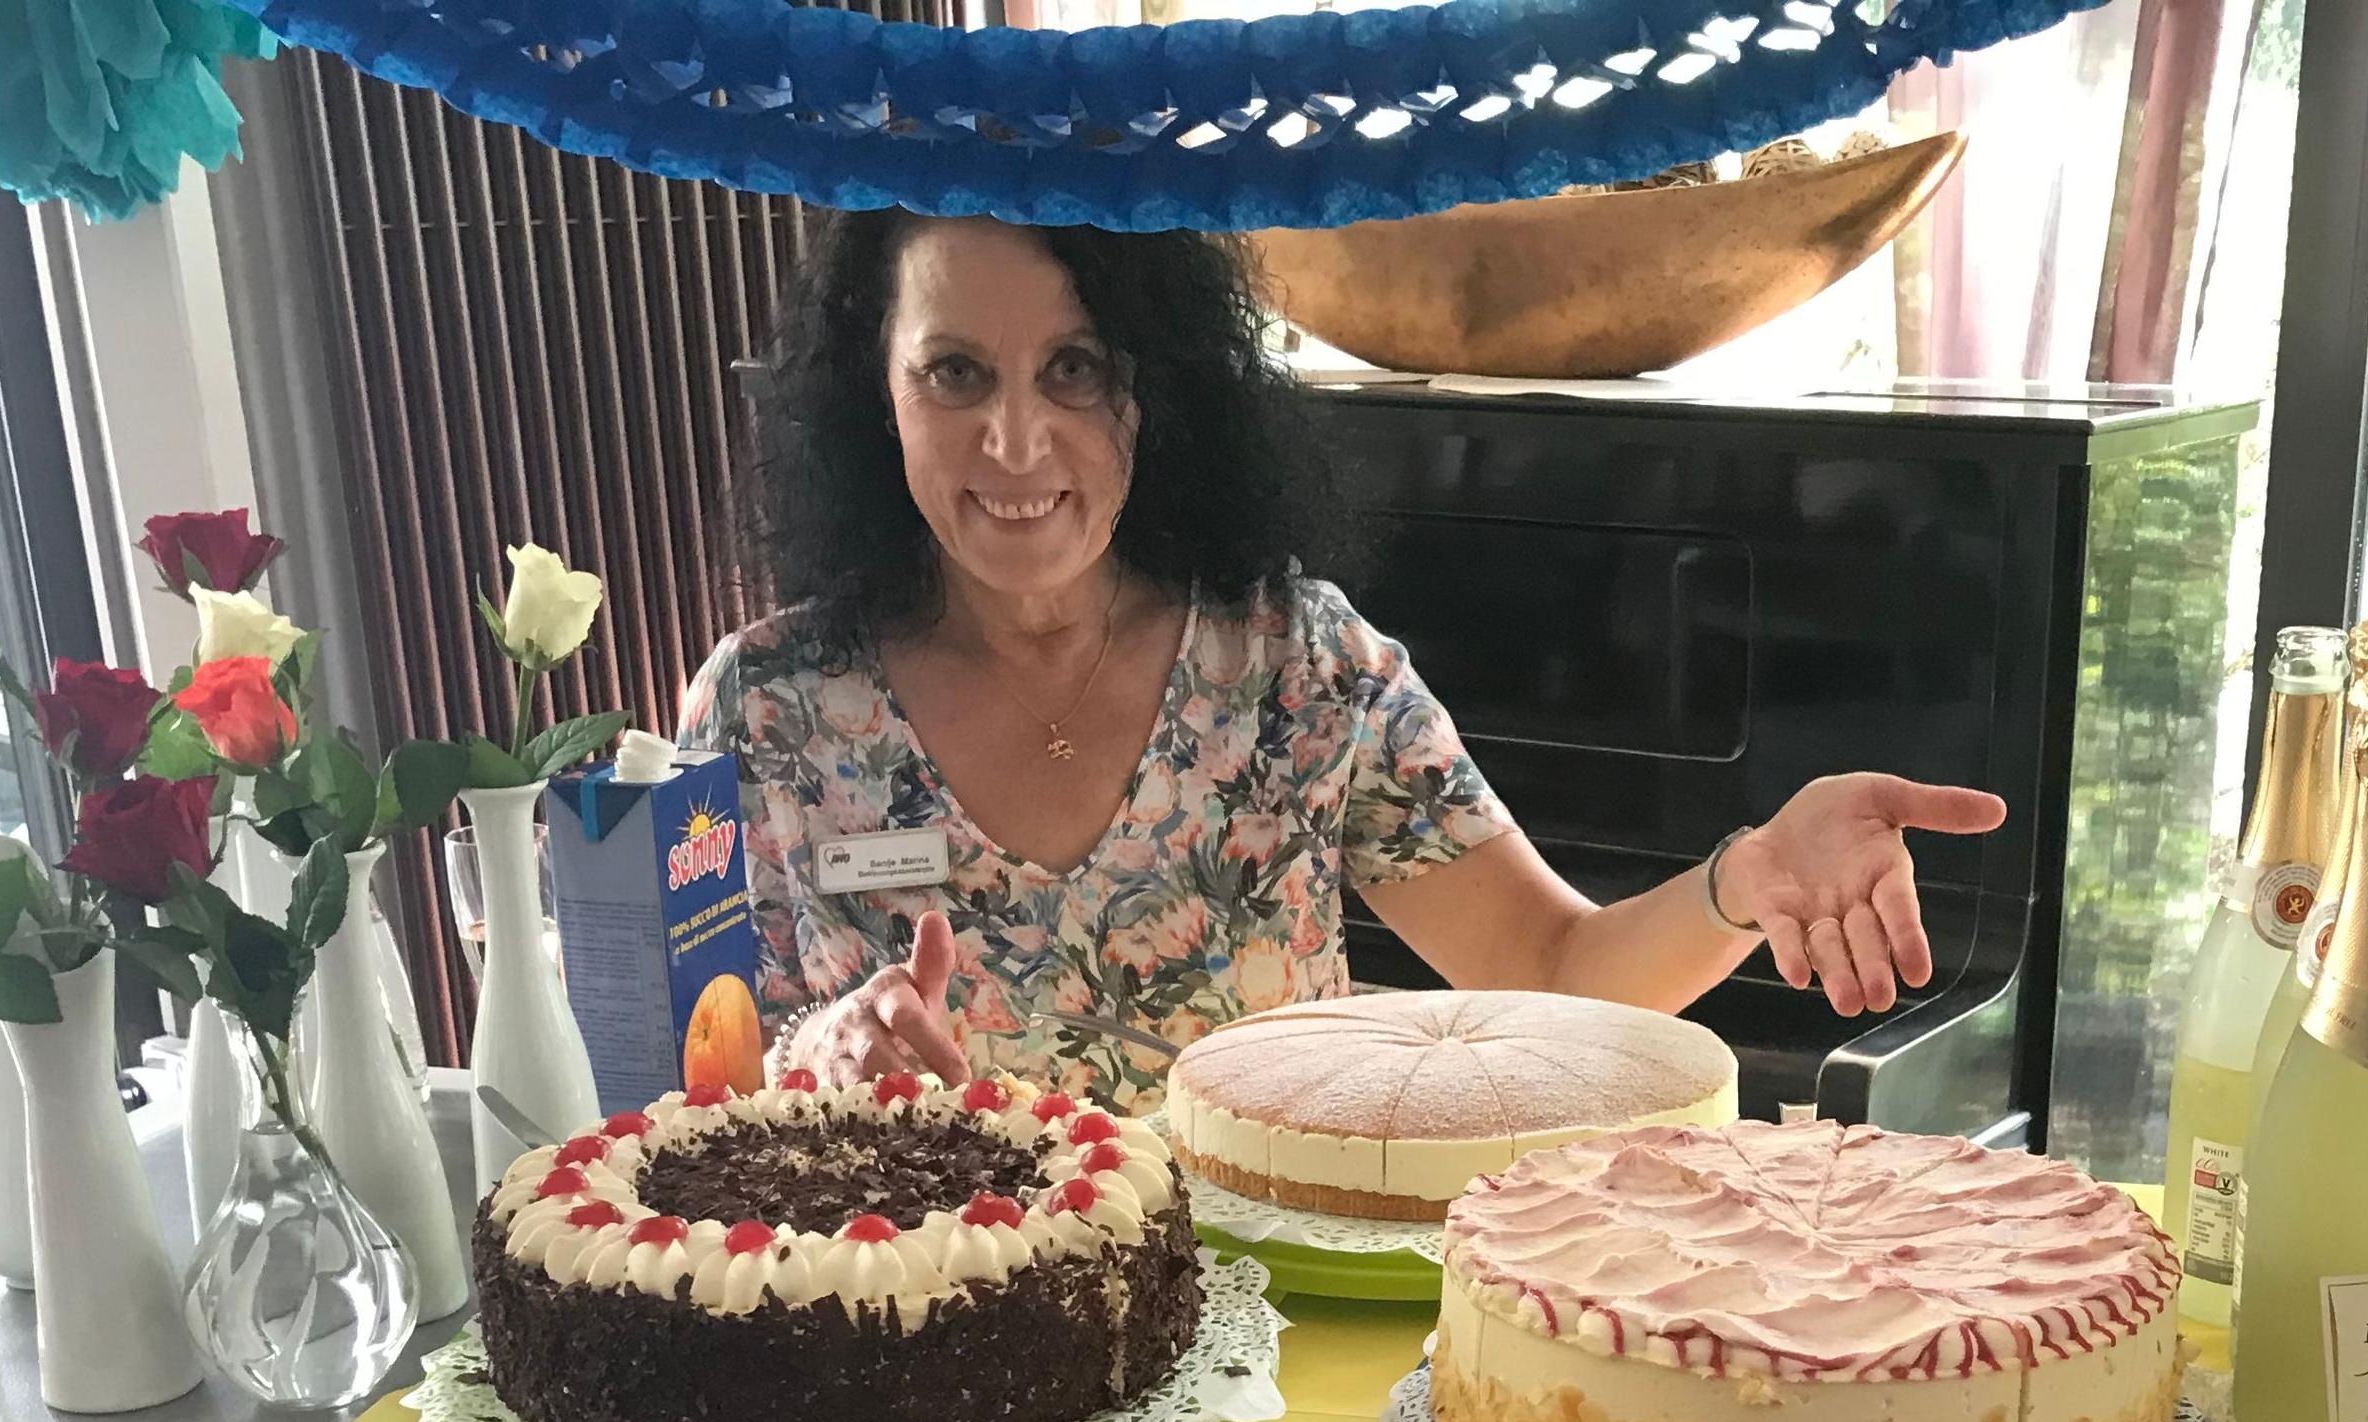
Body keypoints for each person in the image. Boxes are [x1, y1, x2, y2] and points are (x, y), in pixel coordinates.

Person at [684, 209, 2005, 1106]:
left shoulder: (1299, 668)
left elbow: (1555, 972)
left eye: (1075, 369)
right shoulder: (768, 709)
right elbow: (689, 1078)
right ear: (876, 394)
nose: (1017, 444)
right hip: (910, 1353)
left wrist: (1744, 879)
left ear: (1157, 385)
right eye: (955, 374)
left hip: (1269, 1358)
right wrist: (818, 1055)